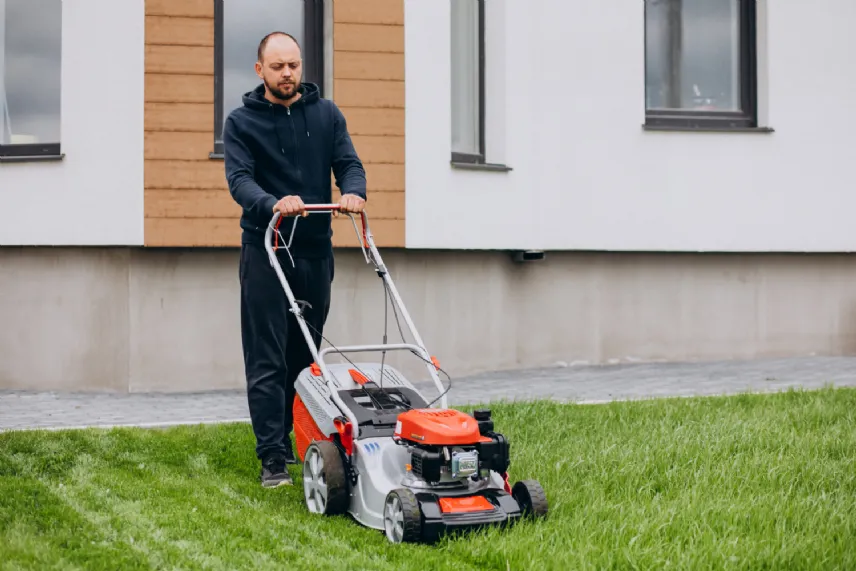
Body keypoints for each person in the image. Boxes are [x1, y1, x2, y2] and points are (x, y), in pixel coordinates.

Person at [223, 31, 367, 488]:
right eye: (278, 66)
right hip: (266, 249)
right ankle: (271, 456)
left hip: (314, 252)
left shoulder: (326, 114)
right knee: (267, 356)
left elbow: (349, 163)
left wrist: (352, 192)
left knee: (304, 355)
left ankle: (296, 436)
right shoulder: (241, 122)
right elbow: (240, 181)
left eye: (294, 65)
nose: (288, 74)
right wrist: (272, 202)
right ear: (260, 70)